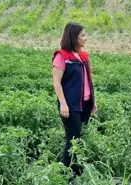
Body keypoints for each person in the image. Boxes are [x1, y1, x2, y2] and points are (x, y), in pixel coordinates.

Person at [52, 22, 97, 176]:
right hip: (70, 105)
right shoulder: (62, 56)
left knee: (79, 137)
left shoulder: (83, 55)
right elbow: (56, 82)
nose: (86, 38)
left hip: (84, 104)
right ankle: (66, 175)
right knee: (72, 139)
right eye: (83, 35)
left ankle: (76, 170)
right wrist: (63, 104)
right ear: (73, 37)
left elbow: (88, 79)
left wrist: (92, 101)